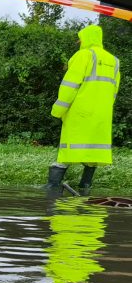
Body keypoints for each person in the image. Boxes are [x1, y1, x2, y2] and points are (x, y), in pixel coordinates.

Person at [46, 24, 120, 195]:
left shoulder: (83, 56)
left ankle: (52, 188)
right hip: (102, 114)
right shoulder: (114, 61)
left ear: (86, 38)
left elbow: (69, 87)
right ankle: (85, 186)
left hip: (80, 113)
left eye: (80, 39)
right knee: (94, 151)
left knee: (66, 150)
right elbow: (114, 92)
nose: (79, 42)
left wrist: (57, 110)